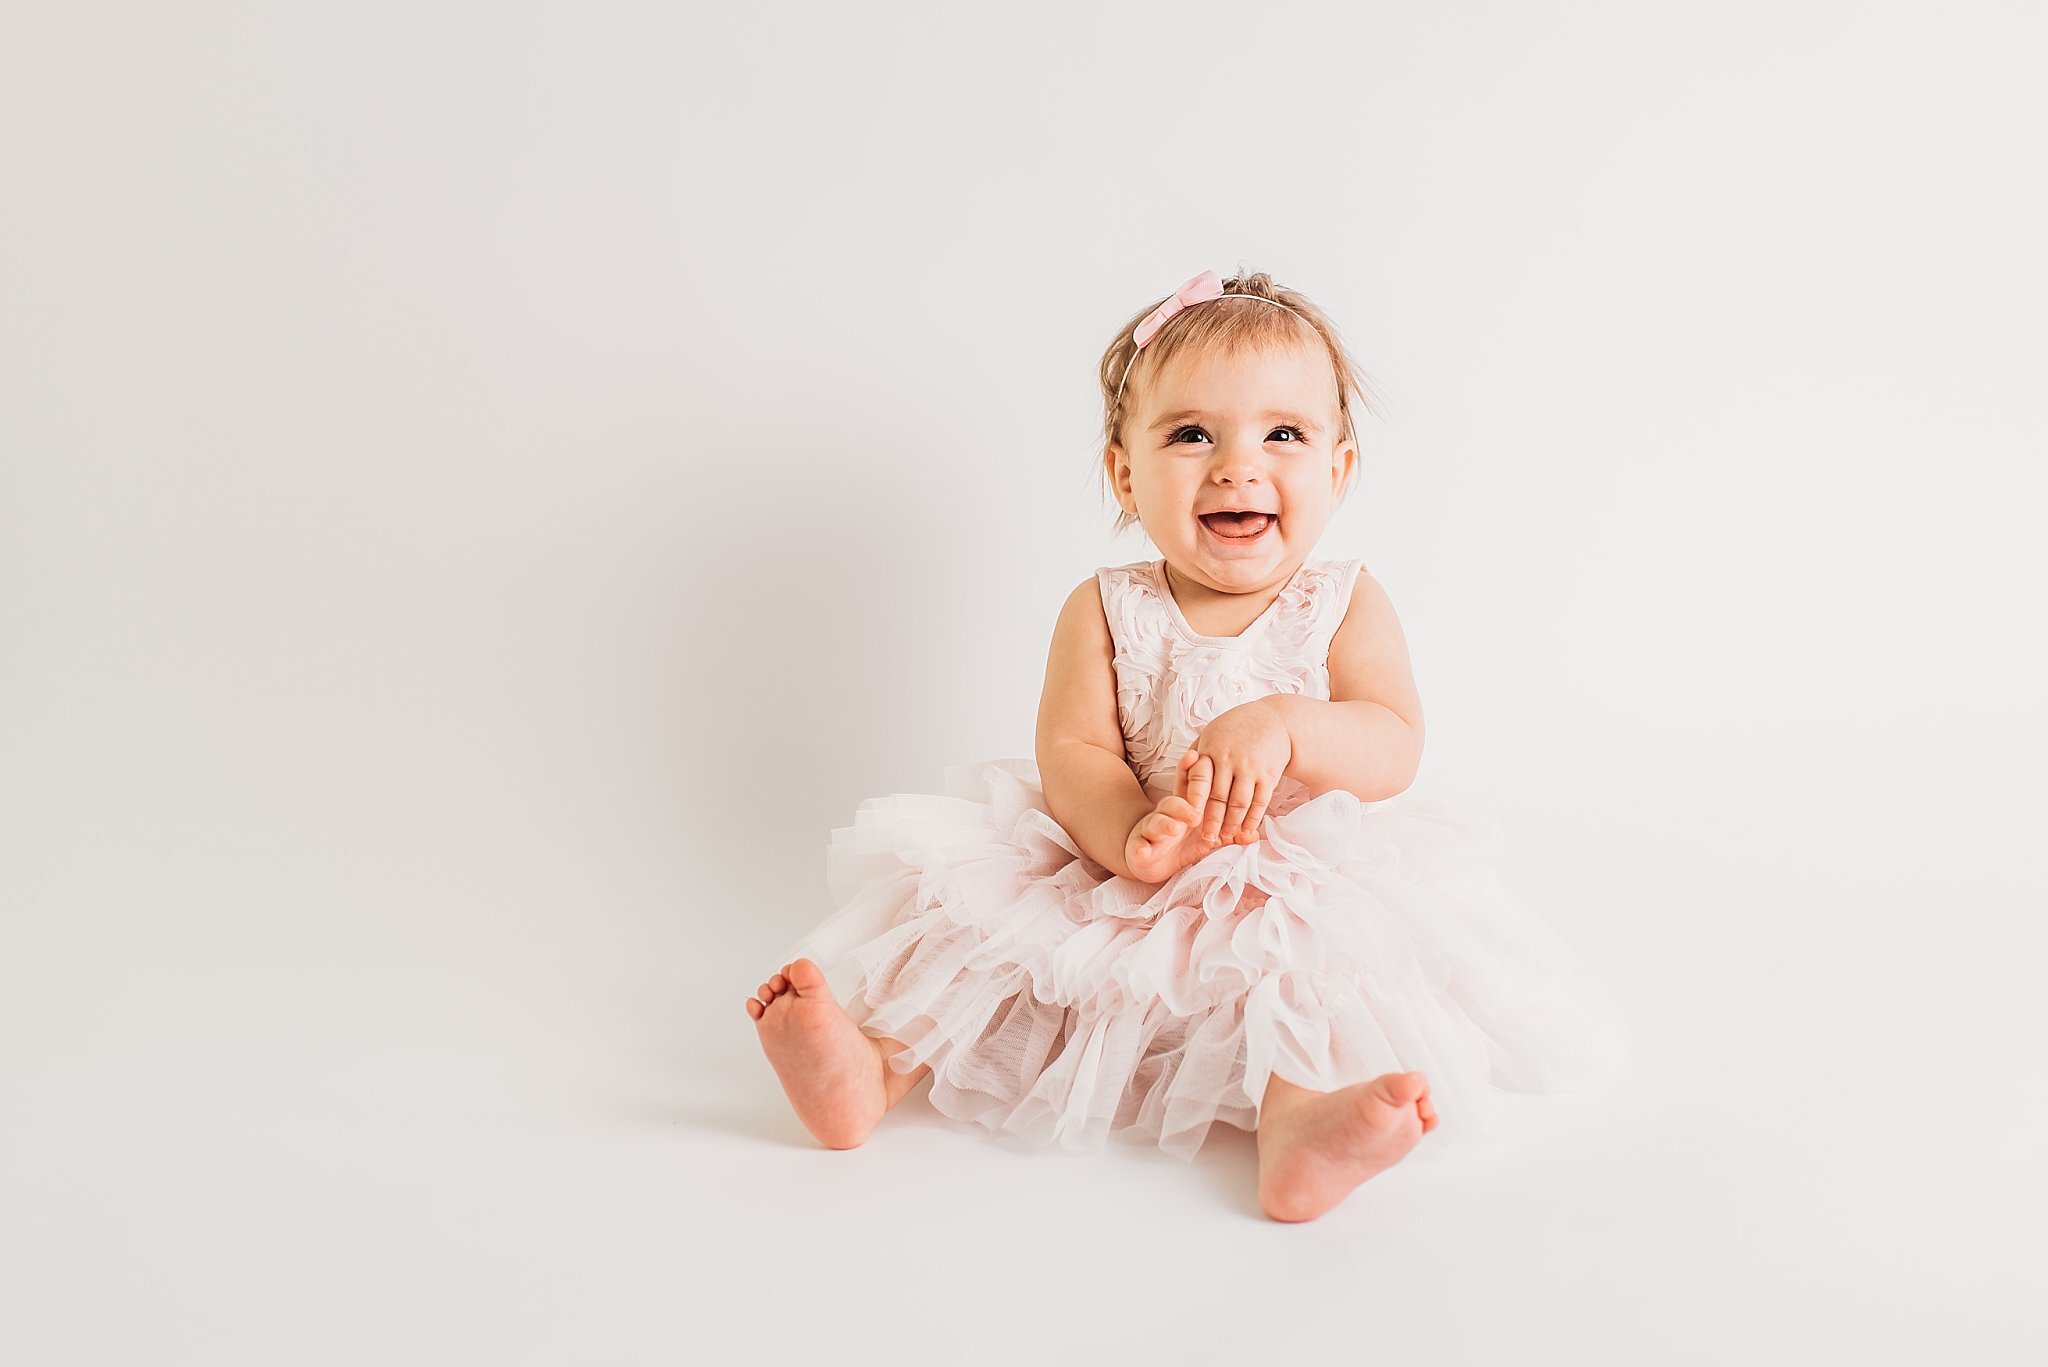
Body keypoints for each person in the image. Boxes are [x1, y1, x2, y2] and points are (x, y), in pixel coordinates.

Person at [744, 267, 1632, 1222]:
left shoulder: (1342, 603)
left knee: (1312, 964)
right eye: (1191, 434)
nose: (1237, 466)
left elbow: (1393, 742)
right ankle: (874, 1065)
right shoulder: (1104, 607)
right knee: (975, 925)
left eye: (1282, 434)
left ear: (1338, 469)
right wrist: (1128, 833)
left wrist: (1289, 725)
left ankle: (1297, 1123)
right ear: (1126, 472)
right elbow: (1076, 747)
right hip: (1120, 854)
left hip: (1283, 869)